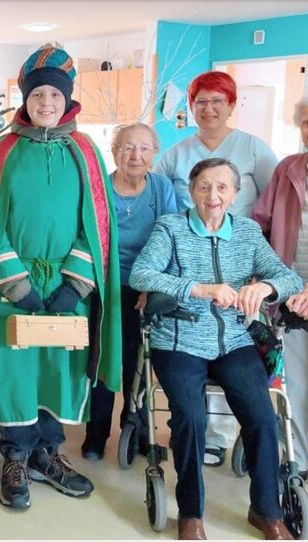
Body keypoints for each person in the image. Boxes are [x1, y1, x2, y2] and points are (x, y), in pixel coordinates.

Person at [0, 43, 122, 510]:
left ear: (67, 100)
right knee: (16, 371)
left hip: (67, 288)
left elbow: (95, 224)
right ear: (26, 99)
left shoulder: (85, 151)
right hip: (10, 289)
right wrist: (16, 283)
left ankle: (47, 454)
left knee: (59, 371)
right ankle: (15, 456)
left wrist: (74, 283)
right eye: (38, 97)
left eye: (54, 98)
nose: (46, 105)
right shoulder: (4, 150)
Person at [130, 157, 301, 540]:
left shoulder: (248, 233)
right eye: (204, 186)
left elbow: (286, 277)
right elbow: (142, 273)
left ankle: (266, 510)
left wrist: (265, 288)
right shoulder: (171, 228)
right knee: (191, 420)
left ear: (235, 194)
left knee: (261, 416)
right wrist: (199, 288)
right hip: (179, 339)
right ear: (191, 192)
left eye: (223, 187)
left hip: (235, 340)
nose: (213, 195)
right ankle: (191, 514)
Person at [155, 70, 279, 467]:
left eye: (216, 101)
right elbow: (159, 202)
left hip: (241, 264)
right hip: (186, 260)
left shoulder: (254, 149)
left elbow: (273, 205)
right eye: (200, 102)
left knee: (233, 344)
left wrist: (265, 272)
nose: (208, 109)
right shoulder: (175, 153)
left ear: (231, 105)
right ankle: (201, 433)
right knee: (193, 344)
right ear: (191, 107)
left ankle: (225, 433)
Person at [82, 123, 177, 460]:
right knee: (104, 358)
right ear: (114, 151)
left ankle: (135, 429)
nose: (135, 156)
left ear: (154, 153)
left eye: (144, 148)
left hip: (145, 288)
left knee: (138, 361)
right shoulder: (100, 188)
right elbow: (89, 238)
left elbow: (172, 239)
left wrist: (151, 287)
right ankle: (96, 435)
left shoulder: (162, 188)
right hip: (105, 285)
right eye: (126, 147)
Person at [252, 96, 308, 479]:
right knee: (296, 391)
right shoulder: (289, 169)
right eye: (306, 121)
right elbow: (261, 224)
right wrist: (260, 276)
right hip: (290, 297)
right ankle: (299, 467)